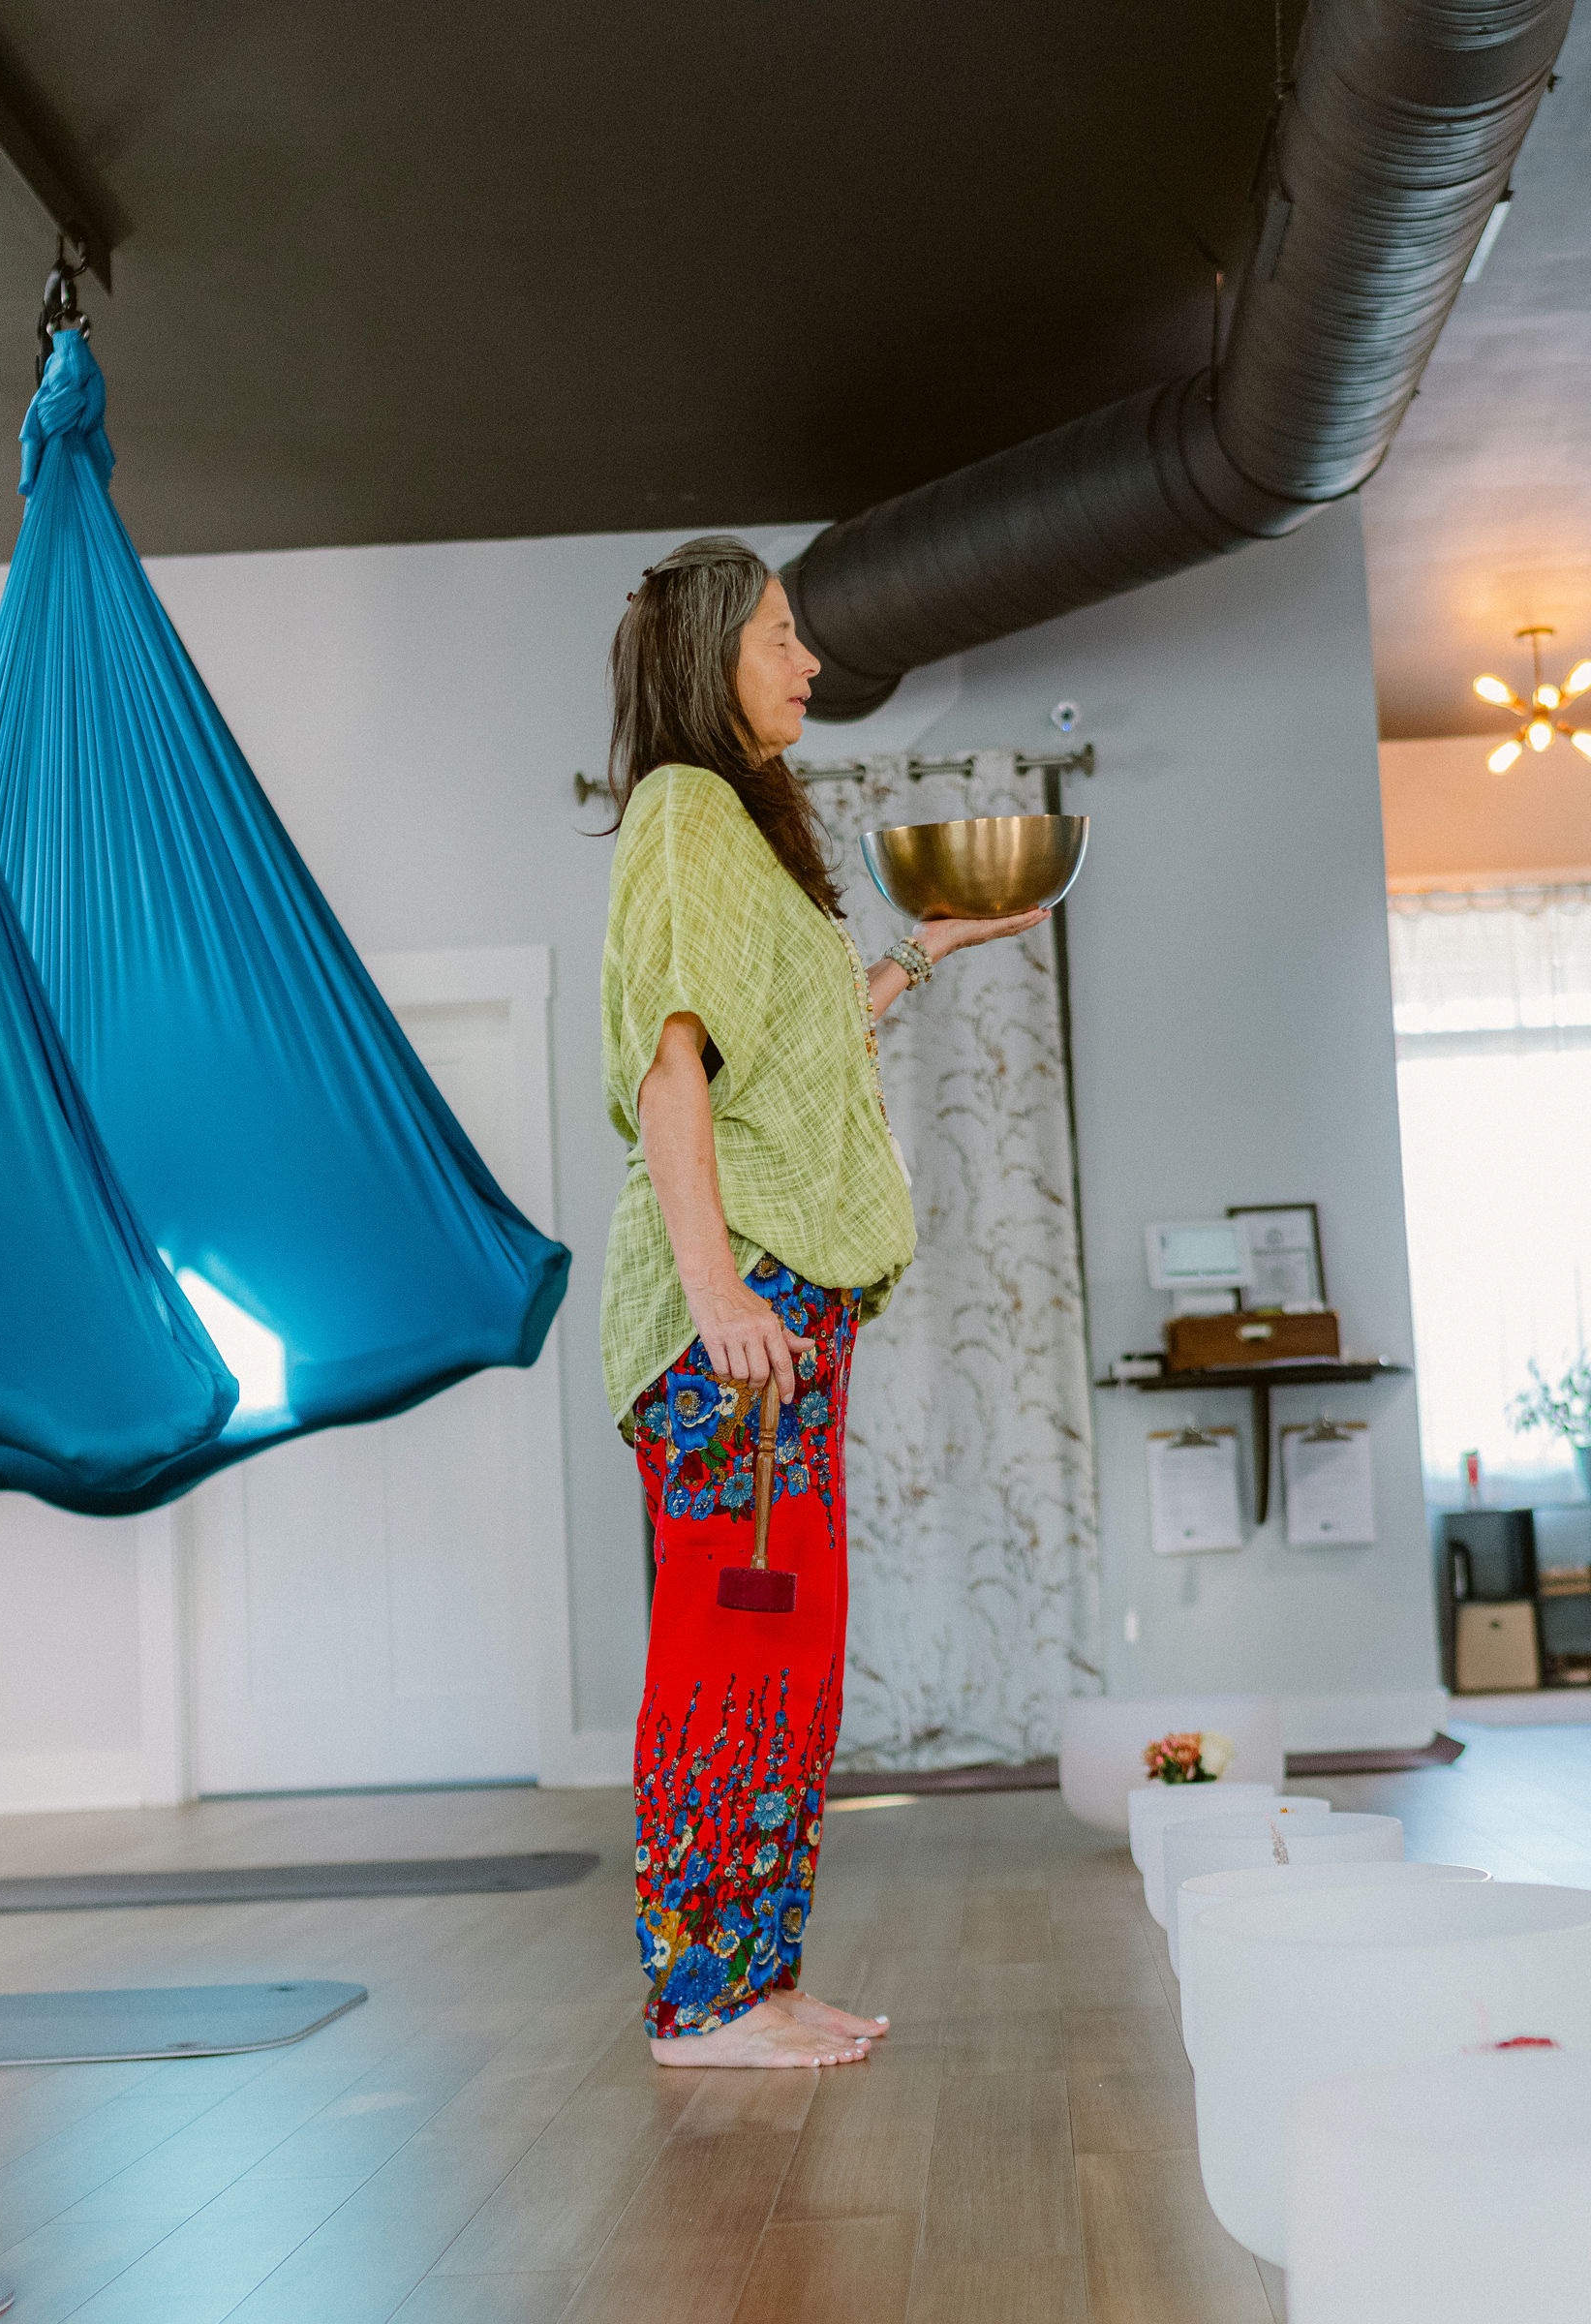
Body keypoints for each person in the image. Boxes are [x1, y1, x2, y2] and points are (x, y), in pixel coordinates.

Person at [597, 536, 1045, 2069]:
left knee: (788, 1661)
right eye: (783, 640)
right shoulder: (679, 809)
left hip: (792, 1317)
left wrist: (918, 955)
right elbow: (671, 1066)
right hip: (740, 1318)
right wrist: (716, 1288)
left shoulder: (740, 830)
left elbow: (788, 1051)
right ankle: (698, 2006)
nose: (808, 667)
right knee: (730, 1656)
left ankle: (757, 1977)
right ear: (712, 656)